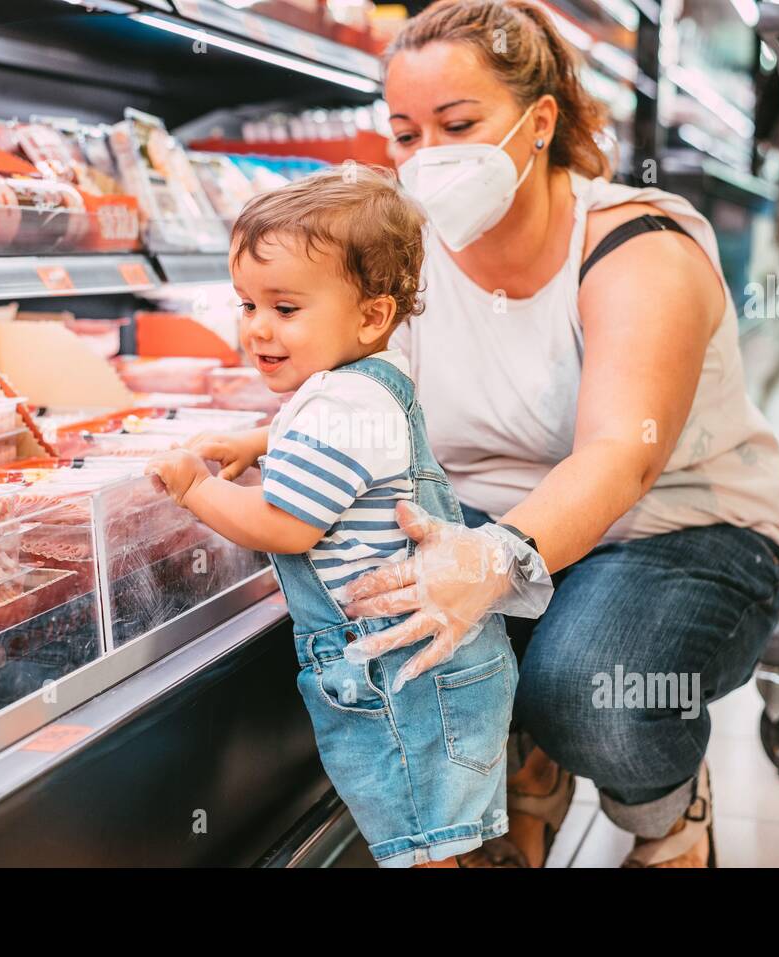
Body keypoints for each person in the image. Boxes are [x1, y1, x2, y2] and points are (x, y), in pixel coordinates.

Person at [340, 0, 779, 868]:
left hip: (679, 530)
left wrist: (490, 562)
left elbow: (619, 454)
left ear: (539, 119)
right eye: (405, 133)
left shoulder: (637, 244)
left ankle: (669, 817)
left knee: (596, 689)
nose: (427, 156)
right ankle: (519, 781)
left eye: (458, 123)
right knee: (378, 637)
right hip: (487, 516)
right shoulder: (407, 251)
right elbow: (358, 391)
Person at [145, 166, 552, 868]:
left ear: (370, 314)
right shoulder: (364, 382)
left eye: (285, 308)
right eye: (247, 304)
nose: (258, 329)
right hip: (435, 668)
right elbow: (340, 451)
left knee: (426, 855)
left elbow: (283, 525)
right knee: (439, 846)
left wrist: (192, 489)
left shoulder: (336, 404)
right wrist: (260, 440)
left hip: (399, 679)